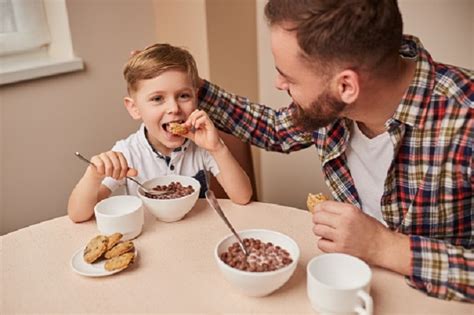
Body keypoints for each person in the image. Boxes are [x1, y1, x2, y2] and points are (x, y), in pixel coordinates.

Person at [193, 0, 473, 302]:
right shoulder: (334, 110)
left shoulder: (465, 119)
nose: (278, 83)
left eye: (289, 76)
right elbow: (275, 128)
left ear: (346, 86)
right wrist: (194, 89)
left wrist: (383, 246)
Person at [68, 43, 253, 223]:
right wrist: (93, 176)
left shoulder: (202, 146)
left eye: (183, 96)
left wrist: (218, 148)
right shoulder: (128, 152)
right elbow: (78, 215)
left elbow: (243, 197)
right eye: (157, 98)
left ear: (196, 98)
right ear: (134, 108)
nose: (174, 108)